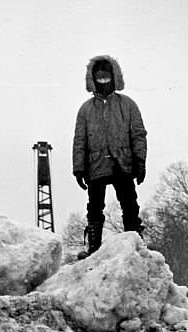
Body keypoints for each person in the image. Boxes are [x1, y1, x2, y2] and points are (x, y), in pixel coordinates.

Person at [73, 54, 147, 257]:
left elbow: (138, 134)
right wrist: (78, 168)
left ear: (114, 77)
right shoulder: (86, 110)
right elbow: (80, 140)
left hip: (122, 163)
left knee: (130, 205)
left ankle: (135, 245)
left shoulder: (127, 105)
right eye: (99, 78)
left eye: (107, 77)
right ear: (93, 79)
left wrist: (140, 161)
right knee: (95, 208)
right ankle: (94, 248)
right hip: (95, 166)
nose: (103, 82)